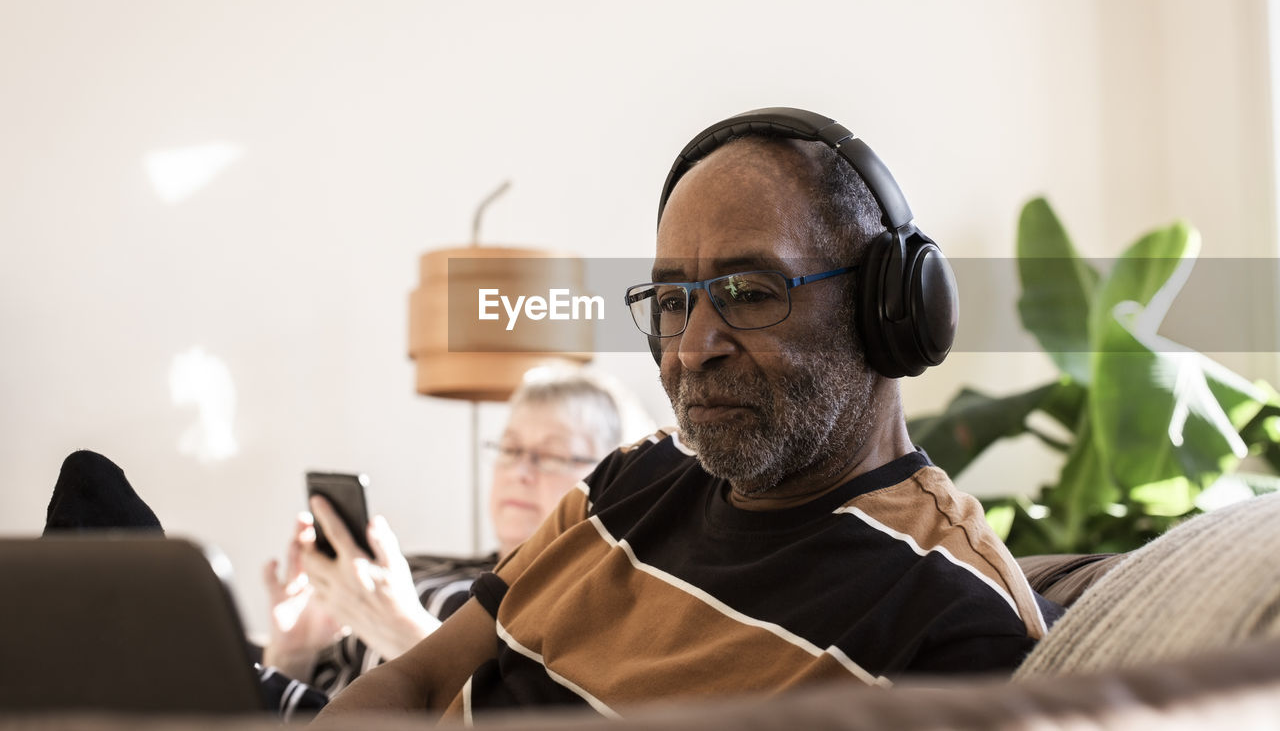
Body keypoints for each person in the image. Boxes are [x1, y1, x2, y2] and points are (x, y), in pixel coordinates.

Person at [317, 107, 1062, 722]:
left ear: (884, 310)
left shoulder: (953, 621)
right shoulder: (629, 479)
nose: (693, 348)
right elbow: (415, 681)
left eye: (750, 291)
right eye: (673, 302)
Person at [257, 365, 630, 714]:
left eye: (551, 455)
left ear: (608, 481)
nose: (519, 471)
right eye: (511, 449)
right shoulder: (417, 567)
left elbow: (528, 714)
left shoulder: (581, 607)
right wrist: (294, 651)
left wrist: (404, 632)